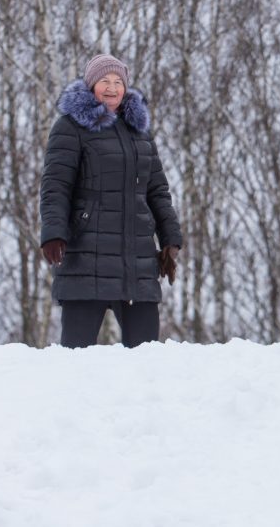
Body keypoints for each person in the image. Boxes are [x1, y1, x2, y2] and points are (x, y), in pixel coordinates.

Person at [39, 54, 183, 348]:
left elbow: (157, 190)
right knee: (75, 357)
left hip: (137, 262)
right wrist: (53, 233)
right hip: (85, 257)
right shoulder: (70, 127)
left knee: (147, 357)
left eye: (118, 81)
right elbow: (55, 186)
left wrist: (170, 238)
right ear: (91, 84)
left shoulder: (140, 132)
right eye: (104, 80)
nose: (112, 87)